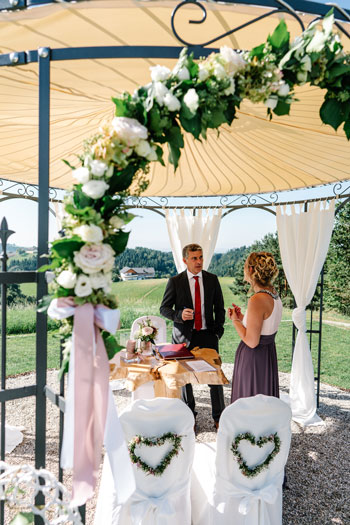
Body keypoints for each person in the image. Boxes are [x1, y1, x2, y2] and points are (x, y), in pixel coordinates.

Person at [160, 243, 225, 428]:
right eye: (194, 258)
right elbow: (164, 309)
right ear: (185, 260)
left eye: (201, 257)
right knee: (185, 380)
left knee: (215, 377)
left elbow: (219, 308)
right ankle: (190, 417)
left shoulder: (212, 279)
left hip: (208, 336)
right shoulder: (175, 281)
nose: (199, 261)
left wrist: (218, 331)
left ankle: (219, 418)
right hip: (183, 338)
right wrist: (178, 315)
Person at [228, 251, 282, 403]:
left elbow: (252, 341)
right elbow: (265, 325)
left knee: (250, 404)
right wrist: (243, 319)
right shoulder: (273, 294)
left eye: (245, 266)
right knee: (263, 404)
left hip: (254, 360)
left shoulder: (257, 299)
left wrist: (235, 321)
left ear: (251, 270)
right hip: (267, 356)